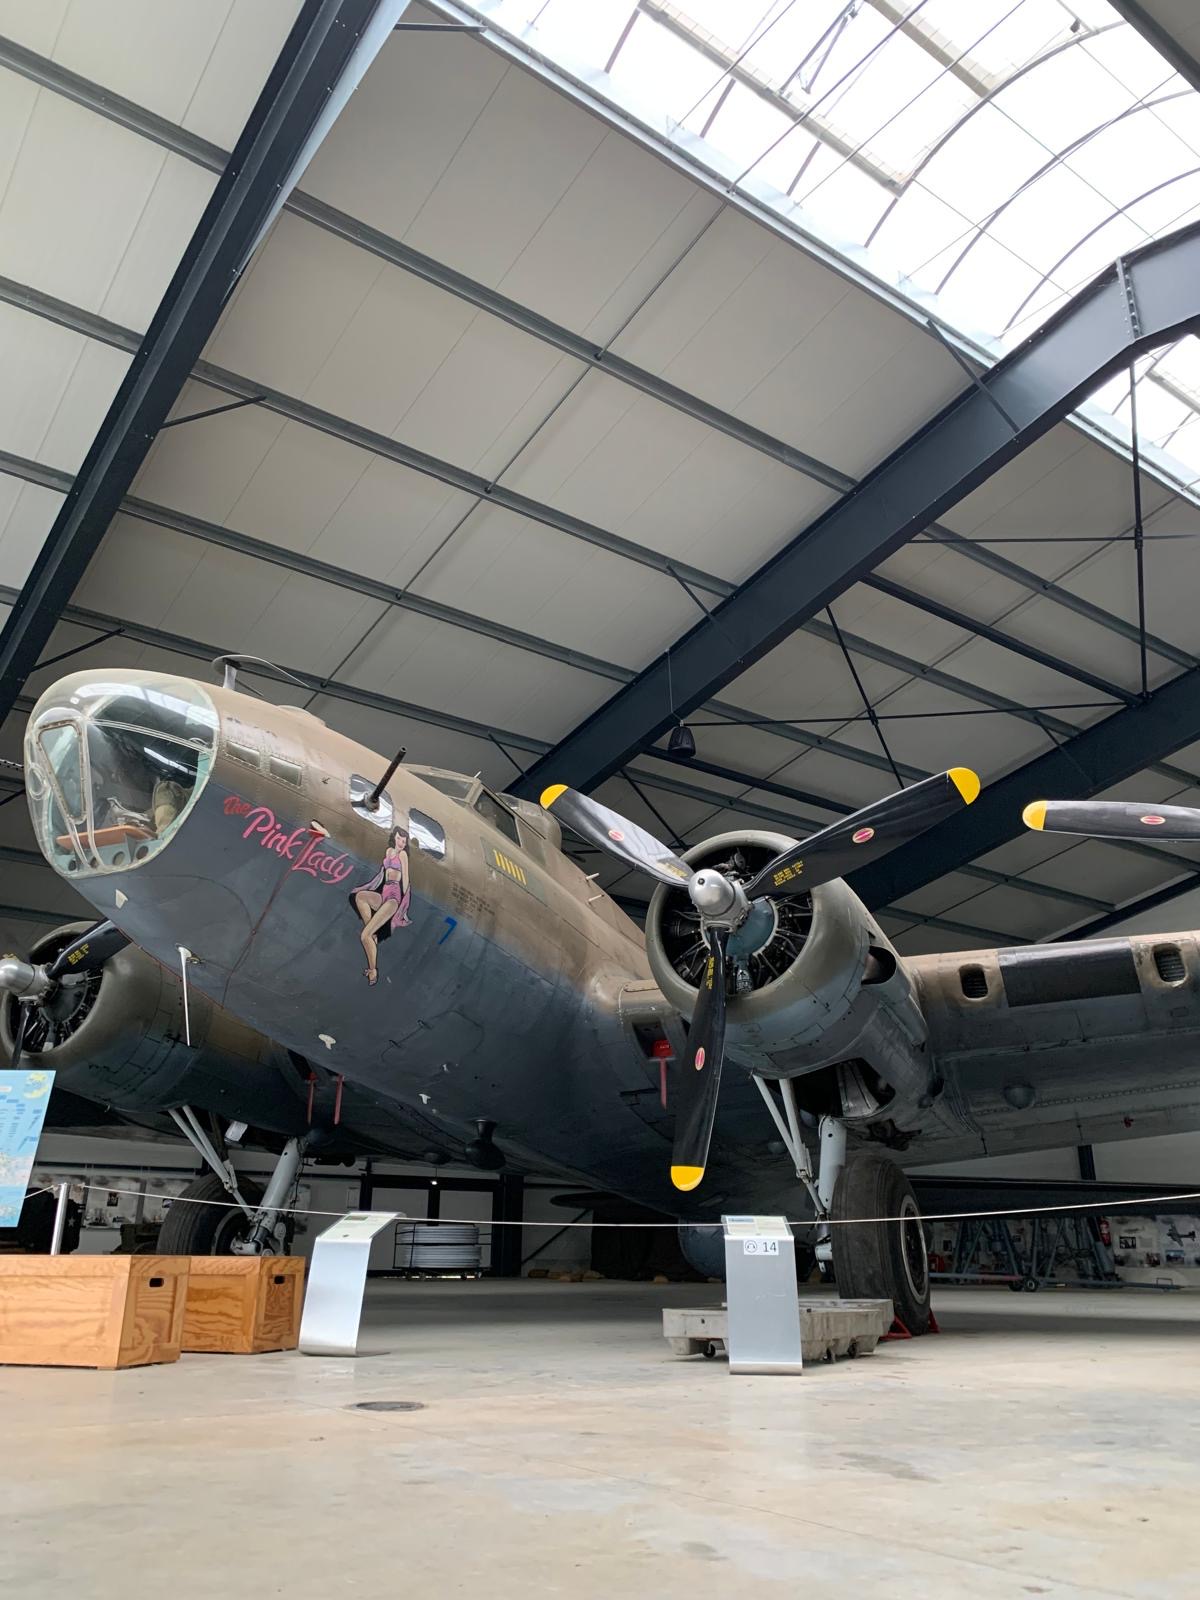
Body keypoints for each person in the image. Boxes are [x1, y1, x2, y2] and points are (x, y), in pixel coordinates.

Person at [350, 824, 411, 985]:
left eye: (404, 841)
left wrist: (403, 902)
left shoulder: (403, 855)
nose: (401, 843)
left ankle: (373, 971)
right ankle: (373, 933)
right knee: (360, 897)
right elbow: (381, 874)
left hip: (393, 896)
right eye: (399, 839)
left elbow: (405, 878)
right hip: (384, 891)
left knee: (364, 936)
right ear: (395, 838)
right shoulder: (389, 852)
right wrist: (370, 886)